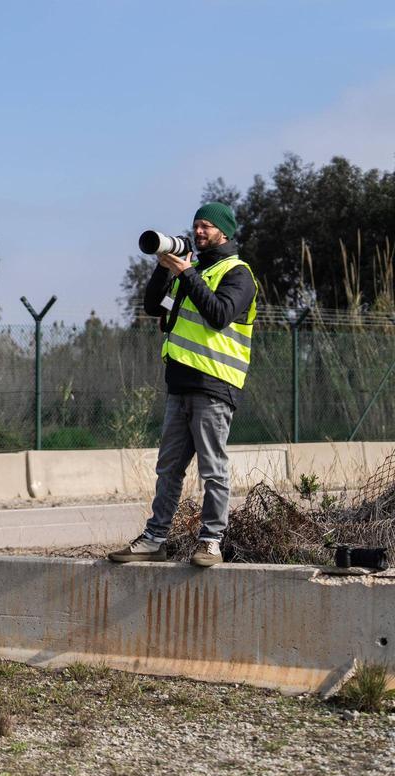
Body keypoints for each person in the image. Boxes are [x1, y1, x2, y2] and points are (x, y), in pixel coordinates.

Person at [110, 202, 258, 567]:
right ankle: (154, 539)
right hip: (179, 383)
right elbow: (152, 307)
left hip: (215, 384)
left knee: (213, 468)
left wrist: (188, 272)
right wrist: (164, 271)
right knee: (169, 468)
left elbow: (219, 315)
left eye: (207, 225)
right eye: (196, 225)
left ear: (224, 231)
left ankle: (210, 541)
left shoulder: (238, 273)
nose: (199, 231)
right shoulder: (189, 271)